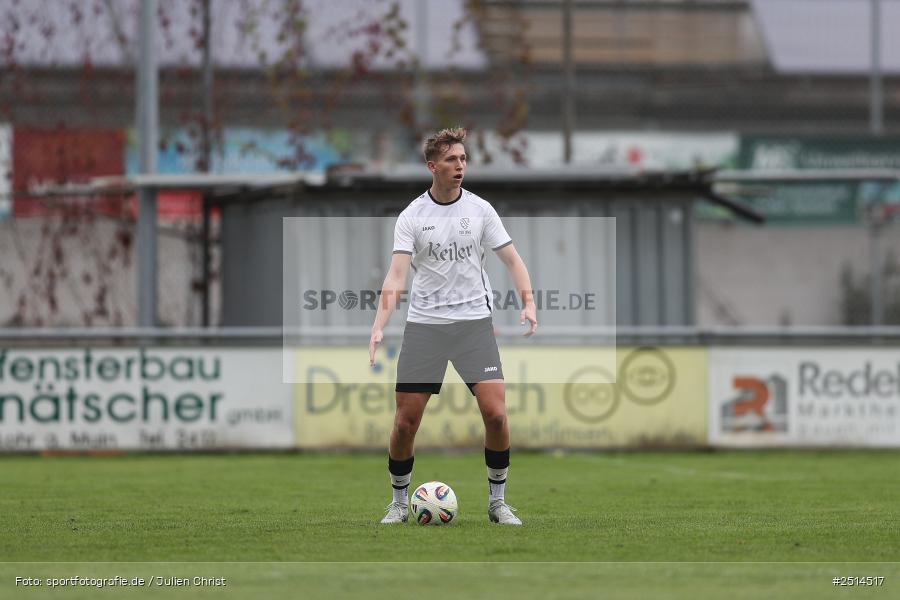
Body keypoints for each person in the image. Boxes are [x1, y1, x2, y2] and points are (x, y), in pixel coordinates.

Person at [368, 127, 537, 525]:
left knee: (496, 415)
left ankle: (498, 503)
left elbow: (512, 260)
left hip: (473, 326)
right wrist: (378, 325)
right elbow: (396, 276)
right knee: (406, 422)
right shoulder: (412, 216)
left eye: (463, 159)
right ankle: (398, 502)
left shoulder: (480, 210)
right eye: (451, 160)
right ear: (433, 166)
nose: (460, 166)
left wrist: (529, 302)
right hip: (425, 327)